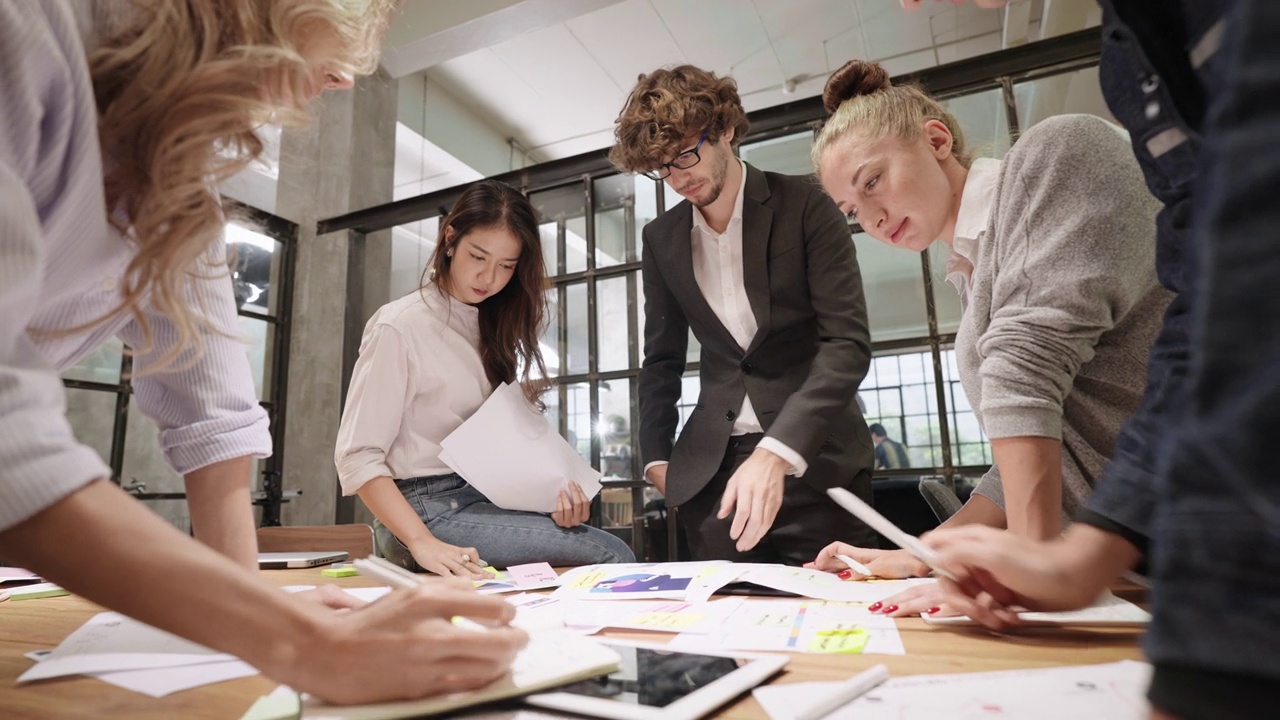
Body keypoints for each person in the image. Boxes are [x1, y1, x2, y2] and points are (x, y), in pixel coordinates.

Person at [0, 0, 527, 705]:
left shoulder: (184, 192)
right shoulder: (24, 33)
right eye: (337, 49)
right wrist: (291, 640)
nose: (340, 82)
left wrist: (247, 598)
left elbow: (213, 411)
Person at [914, 2, 1280, 718]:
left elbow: (1255, 272)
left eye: (870, 184)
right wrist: (1087, 552)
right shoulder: (1131, 49)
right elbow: (1201, 310)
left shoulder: (1061, 146)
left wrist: (1220, 629)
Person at [804, 58, 1171, 615]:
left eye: (873, 181)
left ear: (936, 139)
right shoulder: (973, 272)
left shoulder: (1058, 151)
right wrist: (924, 552)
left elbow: (1025, 372)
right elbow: (1045, 442)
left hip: (1219, 524)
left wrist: (1029, 564)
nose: (872, 218)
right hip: (1133, 554)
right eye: (853, 210)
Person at [609, 64, 879, 565]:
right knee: (729, 633)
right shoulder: (661, 239)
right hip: (713, 476)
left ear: (727, 129)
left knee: (839, 632)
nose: (678, 176)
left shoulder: (808, 204)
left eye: (688, 153)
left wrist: (779, 450)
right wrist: (656, 458)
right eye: (662, 167)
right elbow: (661, 359)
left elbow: (846, 344)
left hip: (814, 458)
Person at [335, 180, 635, 576]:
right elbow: (357, 457)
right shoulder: (400, 325)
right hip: (426, 510)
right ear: (450, 239)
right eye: (478, 256)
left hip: (480, 495)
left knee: (590, 545)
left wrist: (553, 497)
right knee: (612, 554)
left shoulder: (489, 326)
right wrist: (422, 542)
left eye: (506, 266)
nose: (489, 277)